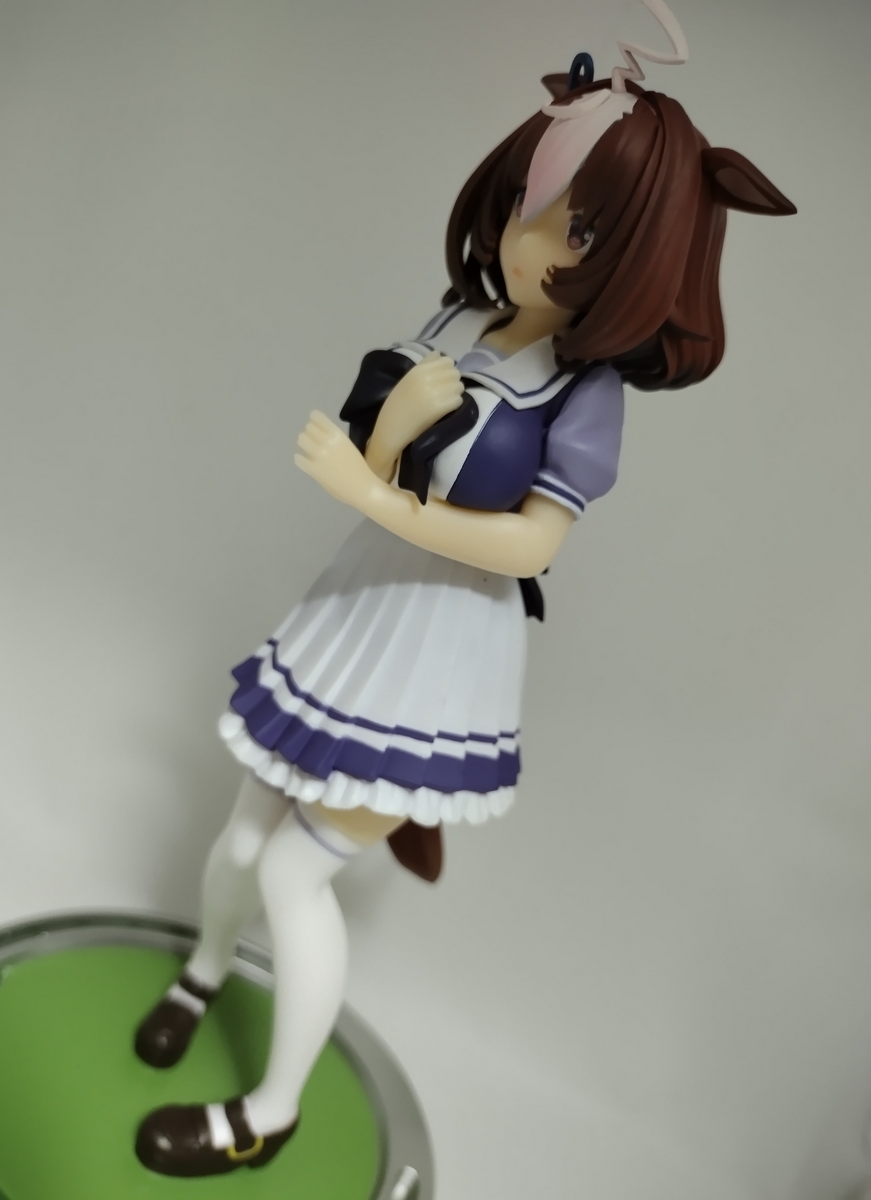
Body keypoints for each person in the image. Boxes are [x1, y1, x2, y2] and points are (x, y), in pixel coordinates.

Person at [133, 0, 795, 1176]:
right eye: (532, 200)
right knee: (242, 837)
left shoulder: (585, 394)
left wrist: (377, 493)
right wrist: (386, 446)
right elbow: (378, 450)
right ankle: (200, 973)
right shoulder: (461, 314)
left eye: (576, 226)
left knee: (292, 870)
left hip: (435, 650)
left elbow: (533, 547)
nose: (533, 239)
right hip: (358, 608)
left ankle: (270, 1115)